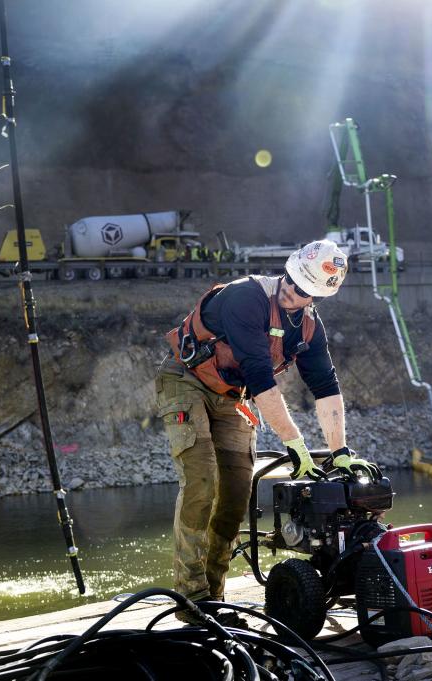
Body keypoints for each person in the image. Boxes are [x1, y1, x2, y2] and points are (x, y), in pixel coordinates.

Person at [155, 239, 381, 626]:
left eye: (304, 292)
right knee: (201, 483)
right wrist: (297, 448)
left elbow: (326, 387)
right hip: (186, 382)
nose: (293, 293)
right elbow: (262, 381)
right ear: (287, 271)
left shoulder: (308, 328)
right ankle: (191, 601)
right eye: (291, 283)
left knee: (236, 494)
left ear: (318, 297)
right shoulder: (247, 298)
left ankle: (214, 595)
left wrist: (340, 451)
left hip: (232, 396)